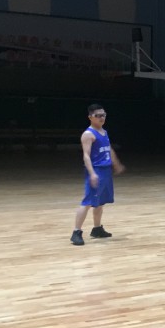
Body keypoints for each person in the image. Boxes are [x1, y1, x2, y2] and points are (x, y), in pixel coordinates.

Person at [70, 104, 124, 246]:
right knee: (87, 202)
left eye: (103, 115)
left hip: (106, 171)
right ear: (90, 117)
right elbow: (86, 156)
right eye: (98, 115)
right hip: (96, 171)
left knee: (100, 202)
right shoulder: (88, 134)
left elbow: (109, 149)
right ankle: (76, 232)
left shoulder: (104, 132)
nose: (101, 118)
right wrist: (92, 173)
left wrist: (116, 164)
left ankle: (97, 229)